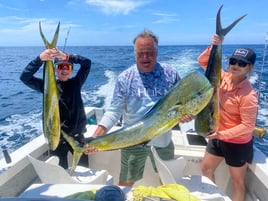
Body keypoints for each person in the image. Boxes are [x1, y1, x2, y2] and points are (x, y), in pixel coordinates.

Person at [85, 29, 193, 186]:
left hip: (163, 140)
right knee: (126, 182)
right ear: (135, 54)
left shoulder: (170, 73)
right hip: (132, 141)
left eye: (149, 52)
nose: (145, 57)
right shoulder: (125, 78)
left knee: (168, 182)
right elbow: (114, 111)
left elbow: (184, 103)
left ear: (156, 52)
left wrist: (188, 115)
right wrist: (96, 139)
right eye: (141, 53)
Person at [198, 34, 258, 201]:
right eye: (233, 61)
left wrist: (222, 135)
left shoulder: (249, 95)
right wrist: (214, 46)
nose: (235, 65)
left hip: (237, 143)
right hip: (218, 136)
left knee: (237, 182)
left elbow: (247, 126)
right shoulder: (222, 78)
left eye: (241, 63)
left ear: (249, 68)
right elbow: (203, 62)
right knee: (205, 169)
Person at [20, 48, 91, 169]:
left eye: (67, 67)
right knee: (59, 174)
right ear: (55, 69)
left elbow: (87, 63)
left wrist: (67, 57)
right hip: (57, 139)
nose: (64, 70)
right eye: (61, 66)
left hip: (78, 137)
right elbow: (25, 77)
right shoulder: (46, 86)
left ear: (71, 70)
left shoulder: (77, 82)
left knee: (84, 170)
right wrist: (40, 59)